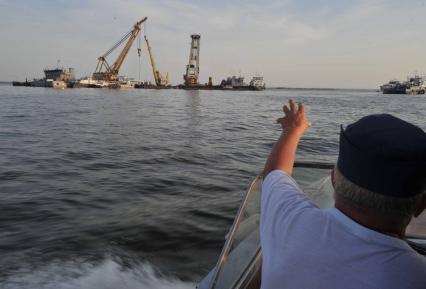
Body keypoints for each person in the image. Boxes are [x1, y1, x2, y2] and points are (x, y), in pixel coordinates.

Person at [260, 100, 426, 289]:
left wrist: (293, 130)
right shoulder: (418, 276)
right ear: (422, 205)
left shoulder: (291, 219)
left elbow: (275, 172)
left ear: (333, 180)